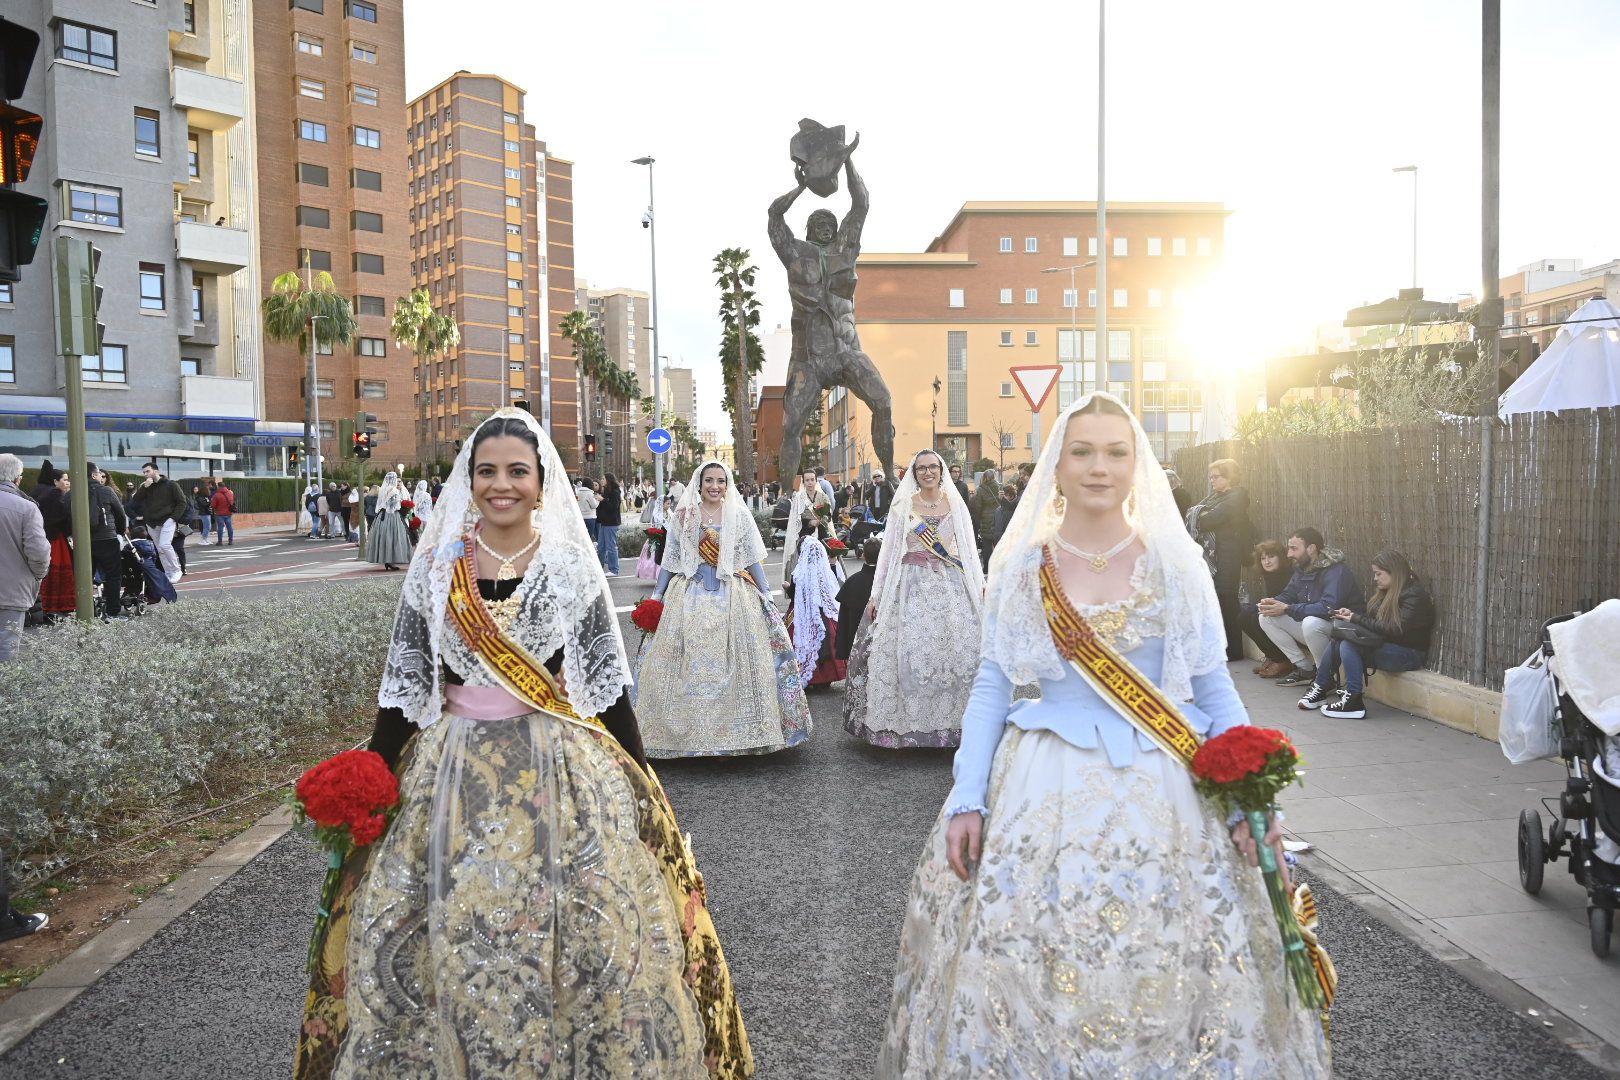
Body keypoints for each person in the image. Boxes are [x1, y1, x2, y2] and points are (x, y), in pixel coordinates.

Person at [878, 393, 1331, 1076]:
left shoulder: (1178, 565)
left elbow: (1213, 687)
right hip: (1041, 786)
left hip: (1167, 785)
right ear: (1057, 467)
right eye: (1082, 452)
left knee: (1173, 958)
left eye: (1115, 452)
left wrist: (1254, 799)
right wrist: (968, 796)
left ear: (1136, 463)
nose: (1099, 467)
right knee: (1031, 958)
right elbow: (993, 684)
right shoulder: (1023, 567)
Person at [294, 410, 754, 1080]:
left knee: (569, 923)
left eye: (517, 472)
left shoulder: (570, 567)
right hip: (452, 773)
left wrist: (643, 779)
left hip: (557, 767)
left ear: (542, 484)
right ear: (468, 479)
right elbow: (404, 689)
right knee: (448, 925)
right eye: (487, 472)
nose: (500, 485)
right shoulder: (434, 568)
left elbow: (606, 685)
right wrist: (372, 779)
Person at [635, 460, 811, 758]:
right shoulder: (683, 516)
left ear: (727, 484)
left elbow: (751, 557)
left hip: (733, 594)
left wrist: (766, 592)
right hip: (689, 593)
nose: (715, 486)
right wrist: (658, 594)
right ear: (699, 483)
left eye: (720, 481)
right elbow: (671, 559)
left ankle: (741, 735)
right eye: (709, 481)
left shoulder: (738, 515)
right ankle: (684, 736)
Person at [843, 449, 983, 748]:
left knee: (953, 651)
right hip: (909, 585)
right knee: (907, 652)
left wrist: (979, 584)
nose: (928, 472)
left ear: (941, 471)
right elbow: (889, 552)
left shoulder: (955, 505)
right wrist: (877, 593)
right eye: (922, 468)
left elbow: (969, 550)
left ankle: (954, 726)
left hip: (949, 584)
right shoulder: (903, 506)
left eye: (933, 467)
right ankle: (905, 727)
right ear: (915, 473)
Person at [1311, 549, 1435, 719]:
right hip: (1387, 646)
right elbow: (1374, 623)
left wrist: (1356, 619)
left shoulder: (1414, 595)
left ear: (1394, 572)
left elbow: (1395, 629)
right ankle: (1320, 687)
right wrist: (1351, 616)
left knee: (1348, 644)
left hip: (1408, 654)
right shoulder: (1386, 592)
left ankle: (1353, 699)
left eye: (1378, 574)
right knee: (1340, 640)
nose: (1375, 578)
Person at [1258, 526, 1365, 689]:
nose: (1289, 554)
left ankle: (1325, 678)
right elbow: (1288, 595)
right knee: (1267, 617)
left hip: (1344, 629)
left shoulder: (1336, 570)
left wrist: (1287, 608)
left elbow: (1328, 608)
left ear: (1312, 548)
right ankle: (1305, 669)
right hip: (1318, 627)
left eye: (1294, 548)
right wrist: (1272, 603)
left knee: (1311, 622)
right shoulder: (1302, 569)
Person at [1186, 457, 1255, 662]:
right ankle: (1220, 647)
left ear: (1229, 477)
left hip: (1228, 557)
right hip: (1216, 555)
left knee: (1227, 601)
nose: (1212, 481)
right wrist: (1200, 514)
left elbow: (1207, 521)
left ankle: (1233, 651)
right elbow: (1194, 514)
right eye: (1211, 477)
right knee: (1215, 601)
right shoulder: (1214, 498)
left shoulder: (1236, 497)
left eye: (1216, 477)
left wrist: (1200, 515)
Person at [785, 520, 848, 688]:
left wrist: (787, 587)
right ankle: (825, 678)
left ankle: (805, 674)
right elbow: (833, 589)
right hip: (824, 613)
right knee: (827, 637)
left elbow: (794, 594)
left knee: (799, 638)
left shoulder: (799, 572)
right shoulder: (824, 570)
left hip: (802, 612)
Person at [0, 453, 49, 661]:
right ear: (18, 478)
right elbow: (38, 552)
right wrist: (38, 575)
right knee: (7, 648)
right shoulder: (27, 508)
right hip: (12, 589)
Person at [1243, 539, 1295, 677]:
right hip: (1276, 608)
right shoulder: (1269, 574)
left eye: (1271, 556)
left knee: (1256, 618)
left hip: (1290, 612)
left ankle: (1282, 660)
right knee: (1243, 615)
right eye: (1263, 558)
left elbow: (1291, 599)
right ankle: (1271, 656)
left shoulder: (1290, 573)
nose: (1267, 561)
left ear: (1281, 557)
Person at [128, 462, 185, 583]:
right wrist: (144, 487)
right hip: (151, 522)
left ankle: (176, 570)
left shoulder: (171, 485)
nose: (145, 474)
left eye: (147, 471)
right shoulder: (146, 486)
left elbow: (182, 502)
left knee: (165, 545)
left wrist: (174, 518)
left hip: (168, 520)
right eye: (144, 472)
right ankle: (168, 573)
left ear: (156, 471)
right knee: (159, 549)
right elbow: (135, 500)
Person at [88, 465, 128, 619]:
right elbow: (120, 515)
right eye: (98, 473)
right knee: (113, 576)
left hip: (85, 541)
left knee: (85, 576)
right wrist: (119, 531)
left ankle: (88, 610)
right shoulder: (106, 491)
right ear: (93, 476)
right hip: (107, 538)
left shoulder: (73, 493)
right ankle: (112, 611)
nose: (100, 476)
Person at [36, 465, 76, 617]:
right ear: (55, 481)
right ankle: (56, 604)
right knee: (58, 570)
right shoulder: (55, 495)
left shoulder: (41, 492)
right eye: (65, 480)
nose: (68, 483)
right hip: (55, 539)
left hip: (45, 537)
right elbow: (61, 517)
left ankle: (45, 605)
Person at [835, 537, 880, 661]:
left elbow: (844, 622)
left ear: (863, 555)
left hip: (856, 648)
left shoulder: (852, 581)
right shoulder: (887, 583)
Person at [363, 472, 412, 570]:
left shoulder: (382, 490)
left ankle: (386, 559)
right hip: (392, 516)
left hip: (382, 515)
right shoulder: (394, 490)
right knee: (394, 537)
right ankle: (391, 560)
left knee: (384, 537)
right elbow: (394, 506)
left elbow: (380, 504)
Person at [595, 473, 622, 575]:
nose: (601, 480)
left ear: (608, 480)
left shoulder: (615, 491)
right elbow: (604, 507)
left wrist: (603, 500)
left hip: (611, 523)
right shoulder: (606, 491)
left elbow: (613, 507)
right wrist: (599, 500)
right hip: (604, 522)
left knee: (611, 546)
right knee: (601, 546)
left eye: (603, 478)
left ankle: (614, 569)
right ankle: (599, 567)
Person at [574, 475, 600, 543]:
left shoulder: (578, 492)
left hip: (580, 517)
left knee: (582, 537)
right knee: (588, 538)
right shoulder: (589, 493)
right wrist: (598, 500)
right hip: (590, 518)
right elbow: (594, 505)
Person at [210, 479, 235, 545]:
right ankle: (230, 540)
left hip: (219, 514)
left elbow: (213, 505)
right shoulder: (230, 493)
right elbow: (232, 502)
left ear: (218, 486)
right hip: (228, 513)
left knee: (220, 527)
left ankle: (220, 541)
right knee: (229, 527)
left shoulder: (216, 495)